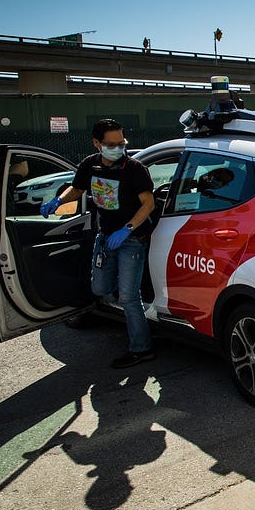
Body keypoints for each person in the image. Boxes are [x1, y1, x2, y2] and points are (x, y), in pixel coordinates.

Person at [40, 119, 157, 368]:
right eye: (110, 144)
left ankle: (141, 347)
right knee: (100, 287)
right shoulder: (90, 165)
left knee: (128, 296)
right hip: (105, 236)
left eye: (121, 143)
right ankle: (131, 312)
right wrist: (58, 201)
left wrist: (127, 230)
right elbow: (77, 188)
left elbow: (148, 204)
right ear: (96, 143)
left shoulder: (133, 169)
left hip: (132, 239)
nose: (117, 148)